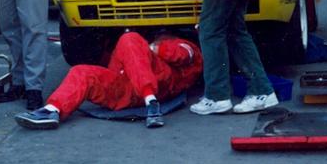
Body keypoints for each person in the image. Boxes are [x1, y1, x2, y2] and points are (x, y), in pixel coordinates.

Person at [15, 31, 203, 130]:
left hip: (157, 85)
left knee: (129, 39)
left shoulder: (182, 45)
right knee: (81, 71)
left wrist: (156, 48)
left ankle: (151, 102)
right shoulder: (142, 52)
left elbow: (183, 55)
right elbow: (115, 70)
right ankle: (52, 110)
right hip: (128, 89)